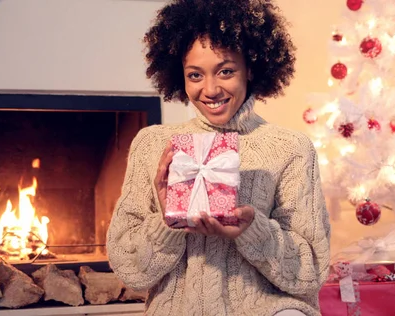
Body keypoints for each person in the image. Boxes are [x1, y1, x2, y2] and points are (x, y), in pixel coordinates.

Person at [106, 1, 331, 315]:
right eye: (195, 75)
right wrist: (168, 219)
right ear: (179, 76)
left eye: (225, 71)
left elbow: (311, 272)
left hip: (265, 309)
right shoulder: (151, 144)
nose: (210, 89)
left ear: (250, 67)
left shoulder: (291, 148)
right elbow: (130, 271)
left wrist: (253, 231)